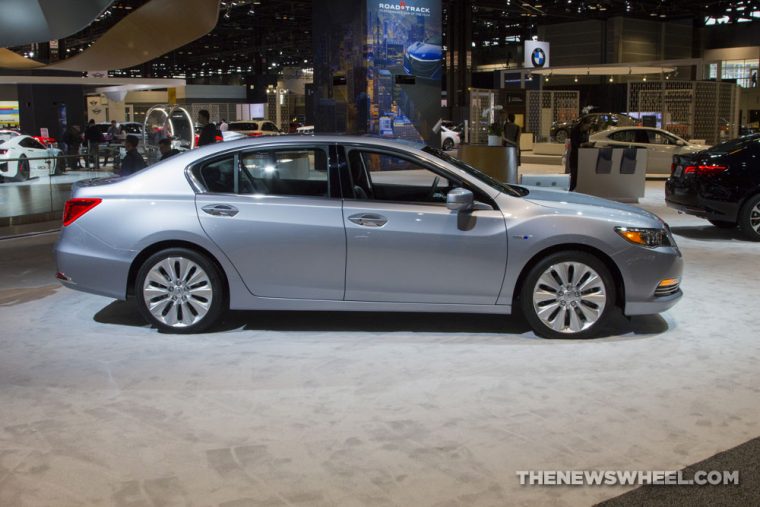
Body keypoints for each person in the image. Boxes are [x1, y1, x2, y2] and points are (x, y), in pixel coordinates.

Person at [567, 116, 594, 191]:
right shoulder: (575, 131)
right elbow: (575, 145)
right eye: (587, 126)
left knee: (582, 177)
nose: (587, 128)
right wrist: (585, 144)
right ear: (583, 124)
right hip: (575, 157)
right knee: (574, 176)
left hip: (583, 157)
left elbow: (585, 141)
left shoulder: (586, 132)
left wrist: (589, 145)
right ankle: (571, 191)